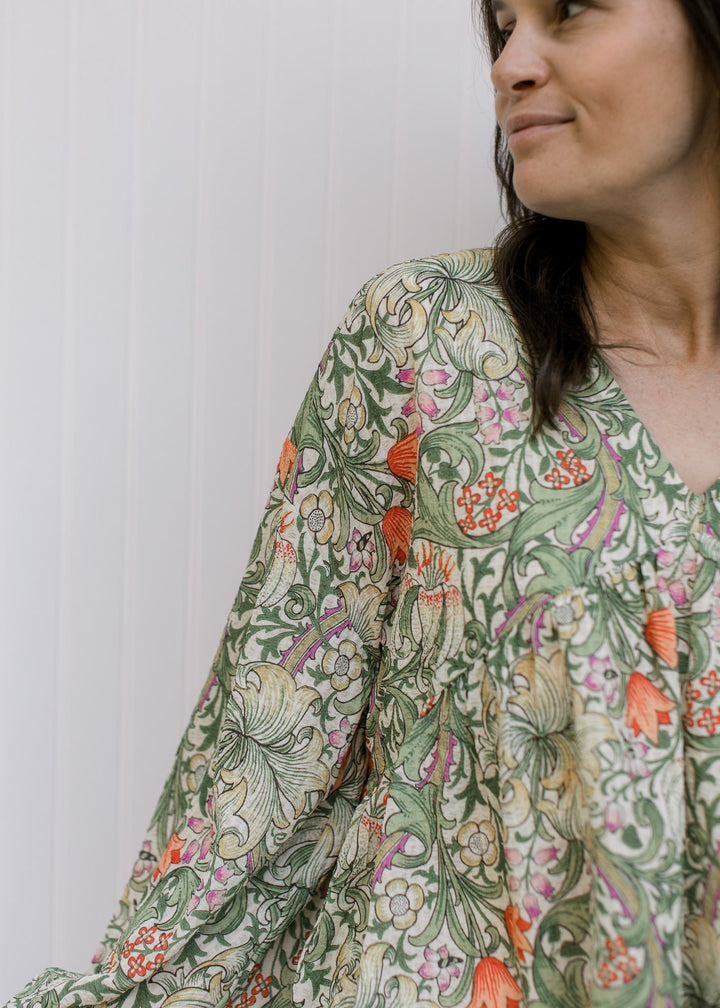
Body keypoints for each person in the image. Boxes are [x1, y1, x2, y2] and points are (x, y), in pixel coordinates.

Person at [7, 0, 720, 1004]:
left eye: (567, 11)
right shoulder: (427, 340)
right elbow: (266, 763)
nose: (511, 63)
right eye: (504, 24)